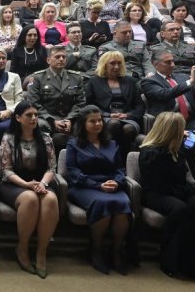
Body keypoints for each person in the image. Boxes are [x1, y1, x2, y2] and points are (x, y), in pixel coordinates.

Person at [66, 105, 133, 275]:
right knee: (103, 202)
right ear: (83, 124)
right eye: (92, 121)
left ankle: (116, 251)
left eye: (100, 120)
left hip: (111, 185)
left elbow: (120, 169)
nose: (97, 124)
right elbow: (73, 171)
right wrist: (97, 186)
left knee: (123, 203)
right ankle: (96, 250)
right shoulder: (74, 143)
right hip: (84, 186)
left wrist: (117, 182)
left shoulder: (111, 143)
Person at [139, 112, 195, 280]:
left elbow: (193, 148)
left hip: (176, 190)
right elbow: (163, 186)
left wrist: (189, 136)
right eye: (181, 130)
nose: (185, 133)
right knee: (179, 209)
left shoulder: (177, 148)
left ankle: (191, 260)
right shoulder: (152, 153)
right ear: (171, 132)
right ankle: (169, 261)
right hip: (155, 193)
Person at [0, 101, 59, 278]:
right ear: (18, 118)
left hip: (42, 181)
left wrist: (43, 183)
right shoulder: (8, 138)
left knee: (50, 199)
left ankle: (41, 252)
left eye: (36, 115)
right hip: (15, 183)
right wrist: (26, 185)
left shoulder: (46, 138)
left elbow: (51, 168)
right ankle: (22, 249)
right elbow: (6, 170)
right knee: (30, 199)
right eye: (29, 115)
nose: (34, 118)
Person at [27, 45, 86, 150]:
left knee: (86, 123)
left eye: (64, 57)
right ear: (48, 60)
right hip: (47, 118)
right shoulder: (38, 78)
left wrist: (69, 119)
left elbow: (80, 102)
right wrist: (52, 120)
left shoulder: (76, 78)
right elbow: (34, 103)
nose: (61, 59)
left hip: (70, 118)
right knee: (39, 124)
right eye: (57, 57)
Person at [141, 49, 195, 132]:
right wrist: (191, 81)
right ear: (155, 64)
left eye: (173, 61)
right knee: (193, 143)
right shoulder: (149, 81)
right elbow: (164, 94)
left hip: (190, 120)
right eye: (168, 62)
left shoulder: (183, 77)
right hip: (168, 123)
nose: (173, 65)